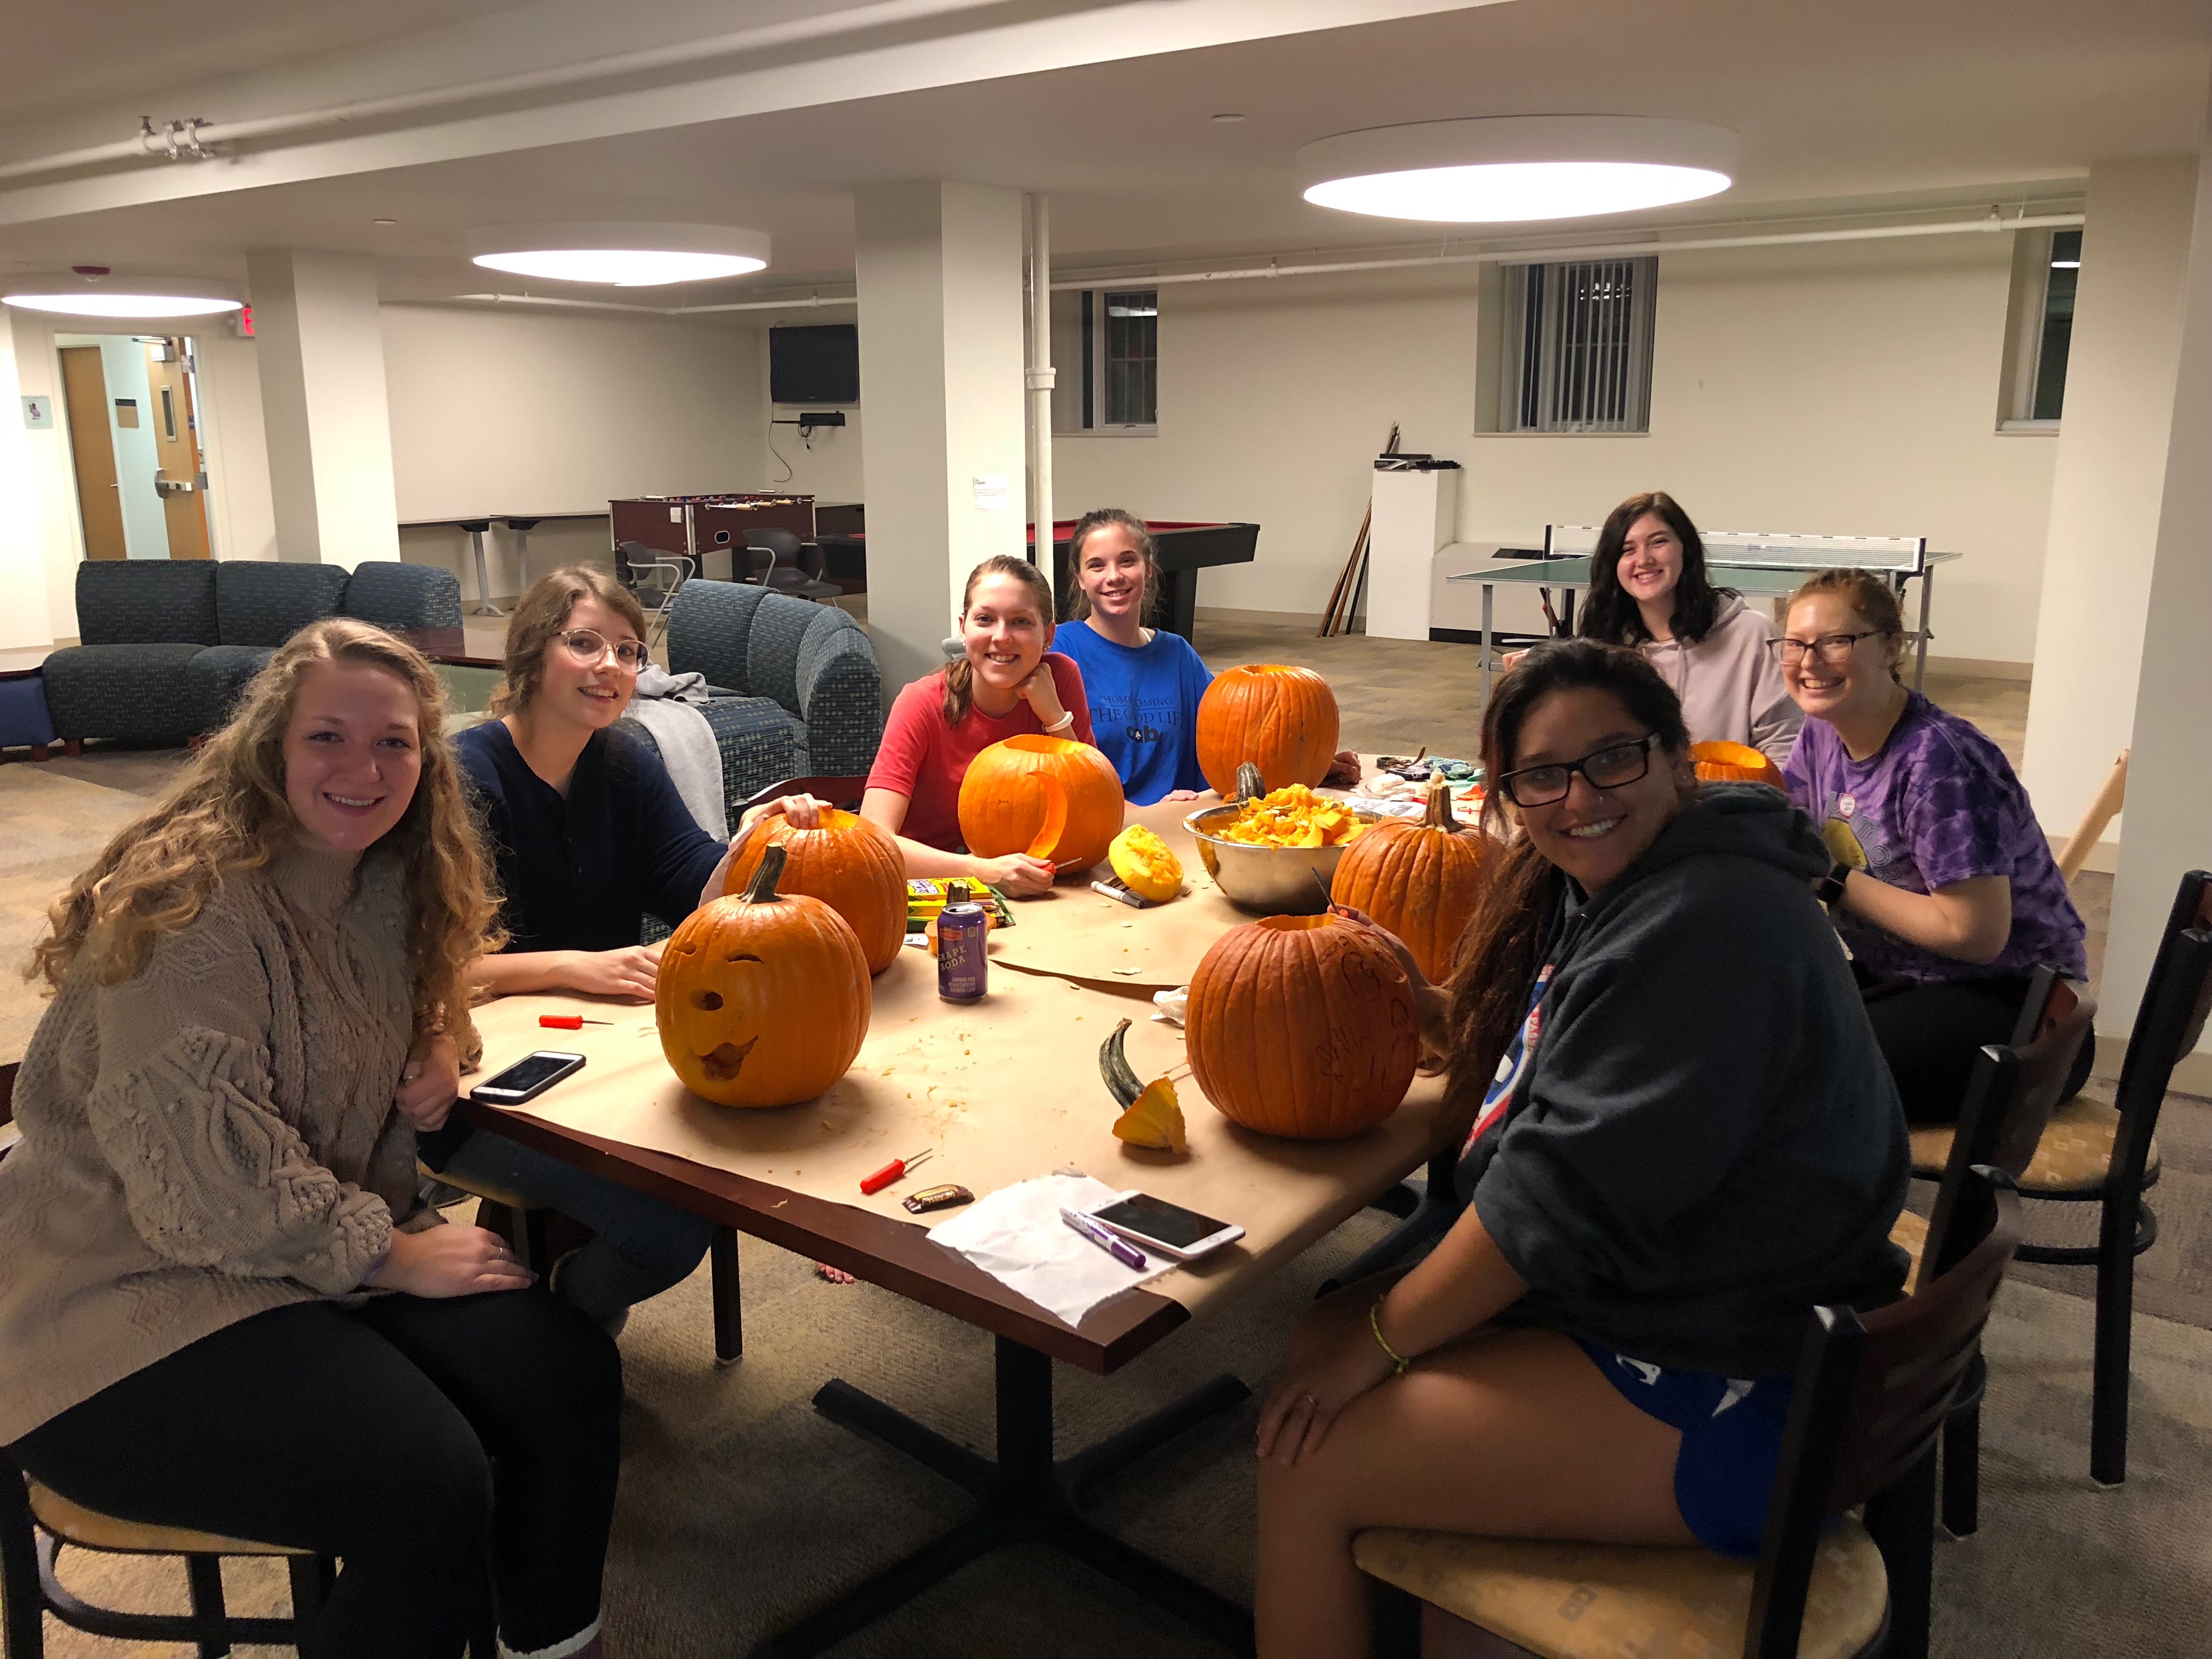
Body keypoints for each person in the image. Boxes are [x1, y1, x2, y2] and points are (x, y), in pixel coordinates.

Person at [1252, 639, 1908, 1659]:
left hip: (1744, 1387)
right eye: (1542, 775)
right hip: (1707, 1296)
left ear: (1674, 756)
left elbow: (1551, 1208)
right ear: (1509, 790)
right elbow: (1578, 1065)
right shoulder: (1660, 876)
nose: (1579, 796)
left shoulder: (1705, 923)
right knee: (1316, 1337)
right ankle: (1447, 1615)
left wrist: (1380, 1339)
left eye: (1612, 757)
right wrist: (1425, 1007)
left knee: (1311, 1448)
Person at [0, 619, 620, 1659]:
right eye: (329, 736)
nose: (362, 767)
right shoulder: (187, 906)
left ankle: (552, 1648)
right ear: (272, 747)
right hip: (116, 1299)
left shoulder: (388, 881)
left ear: (427, 762)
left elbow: (412, 991)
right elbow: (206, 1185)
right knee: (426, 1480)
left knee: (564, 1371)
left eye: (395, 743)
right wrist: (395, 1253)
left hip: (299, 1263)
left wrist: (437, 1033)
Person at [441, 565, 816, 1327]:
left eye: (628, 650)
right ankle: (563, 1324)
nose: (611, 666)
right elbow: (434, 968)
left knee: (728, 1157)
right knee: (667, 1228)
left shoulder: (625, 763)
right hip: (473, 1093)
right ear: (532, 652)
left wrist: (756, 843)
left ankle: (552, 1310)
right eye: (585, 644)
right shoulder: (467, 777)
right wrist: (572, 967)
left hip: (598, 1058)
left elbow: (691, 882)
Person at [1779, 567, 2090, 1123]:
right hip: (1907, 979)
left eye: (1836, 641)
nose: (1809, 661)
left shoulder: (1941, 761)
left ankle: (1847, 1206)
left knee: (1799, 1078)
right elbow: (1792, 839)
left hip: (2018, 1009)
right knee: (1743, 1034)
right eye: (1796, 643)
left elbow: (1974, 934)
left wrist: (1832, 879)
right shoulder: (1821, 732)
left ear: (1891, 647)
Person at [861, 553, 1101, 894]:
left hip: (1040, 890)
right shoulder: (920, 702)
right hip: (930, 891)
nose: (1002, 637)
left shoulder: (1061, 677)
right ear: (963, 628)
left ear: (1048, 634)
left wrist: (1055, 718)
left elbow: (1094, 809)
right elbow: (873, 838)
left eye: (1021, 622)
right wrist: (982, 872)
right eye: (985, 619)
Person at [1574, 489, 1801, 765]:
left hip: (1735, 802)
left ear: (1686, 548)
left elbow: (1784, 749)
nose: (1644, 559)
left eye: (1658, 542)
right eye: (1627, 550)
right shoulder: (1603, 647)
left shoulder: (1753, 635)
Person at [1051, 509, 1216, 804]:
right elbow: (1055, 766)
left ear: (1148, 569)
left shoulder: (1178, 654)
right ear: (1080, 578)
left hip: (1176, 825)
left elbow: (1230, 733)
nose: (1114, 576)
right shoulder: (1060, 651)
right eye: (1097, 566)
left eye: (1127, 561)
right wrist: (1140, 813)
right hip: (1099, 829)